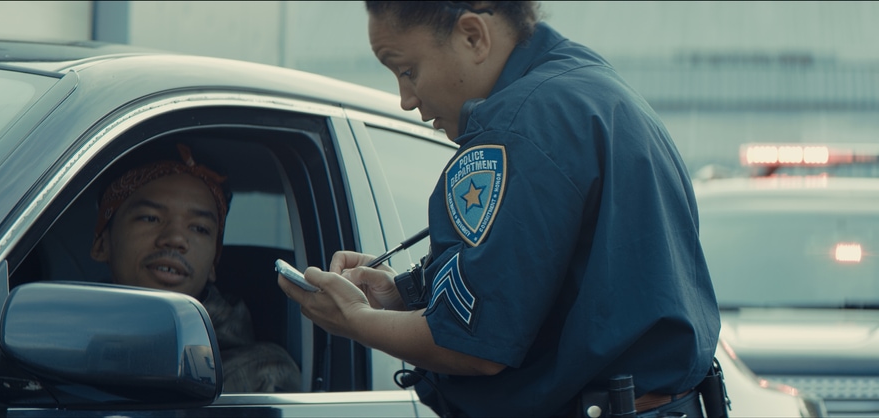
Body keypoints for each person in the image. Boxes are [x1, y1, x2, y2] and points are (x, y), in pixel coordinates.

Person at [277, 1, 721, 417]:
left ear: (473, 36)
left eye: (408, 70)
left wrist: (355, 320)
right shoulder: (590, 89)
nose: (406, 98)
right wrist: (403, 295)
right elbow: (558, 287)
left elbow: (473, 348)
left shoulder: (519, 128)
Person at [91, 143, 301, 393]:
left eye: (199, 228)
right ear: (102, 244)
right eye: (150, 218)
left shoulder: (261, 375)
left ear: (214, 264)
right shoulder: (65, 341)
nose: (176, 239)